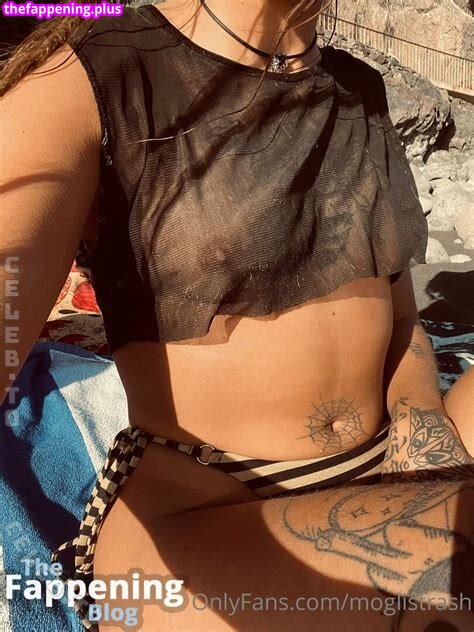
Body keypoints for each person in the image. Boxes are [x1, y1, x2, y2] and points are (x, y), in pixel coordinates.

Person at [1, 1, 472, 630]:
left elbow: (402, 319)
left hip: (388, 452)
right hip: (207, 507)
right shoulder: (91, 74)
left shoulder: (358, 87)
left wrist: (424, 433)